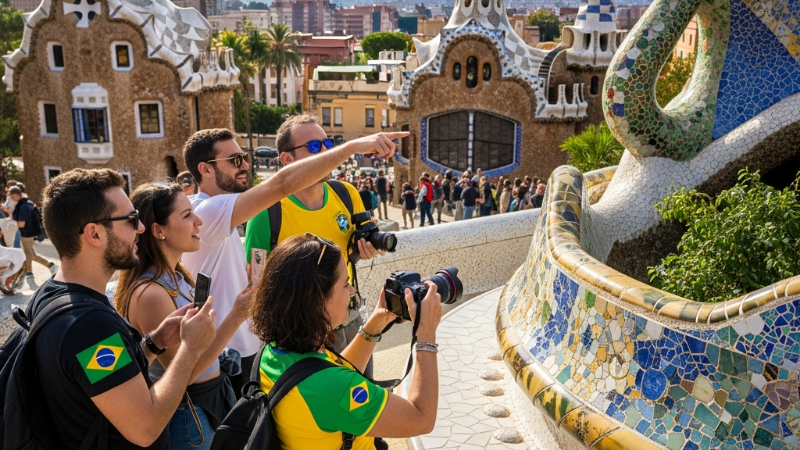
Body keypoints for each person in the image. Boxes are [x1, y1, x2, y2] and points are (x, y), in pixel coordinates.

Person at [182, 127, 402, 397]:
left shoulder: (214, 215)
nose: (246, 166)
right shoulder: (208, 211)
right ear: (205, 169)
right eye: (235, 160)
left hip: (243, 348)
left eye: (245, 157)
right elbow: (281, 185)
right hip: (236, 352)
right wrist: (350, 148)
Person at [29, 168, 217, 449]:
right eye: (131, 220)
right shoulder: (88, 325)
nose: (141, 228)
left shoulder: (53, 293)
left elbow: (102, 381)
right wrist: (190, 349)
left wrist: (152, 345)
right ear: (94, 233)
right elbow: (145, 427)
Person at [250, 234, 442, 450]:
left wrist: (376, 323)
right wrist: (426, 336)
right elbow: (421, 419)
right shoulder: (330, 387)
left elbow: (327, 373)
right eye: (345, 284)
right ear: (317, 300)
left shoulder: (274, 350)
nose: (352, 292)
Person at [115, 182, 253, 450]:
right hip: (189, 416)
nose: (198, 221)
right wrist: (237, 315)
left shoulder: (177, 274)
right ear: (158, 230)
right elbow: (187, 372)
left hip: (204, 405)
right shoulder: (151, 293)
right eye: (187, 215)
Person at [9, 186, 56, 277]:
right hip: (28, 233)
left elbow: (21, 224)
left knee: (29, 254)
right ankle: (30, 271)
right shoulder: (27, 203)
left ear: (16, 195)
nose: (11, 198)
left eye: (11, 196)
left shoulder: (23, 207)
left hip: (26, 234)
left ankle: (47, 265)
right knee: (28, 253)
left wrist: (9, 225)